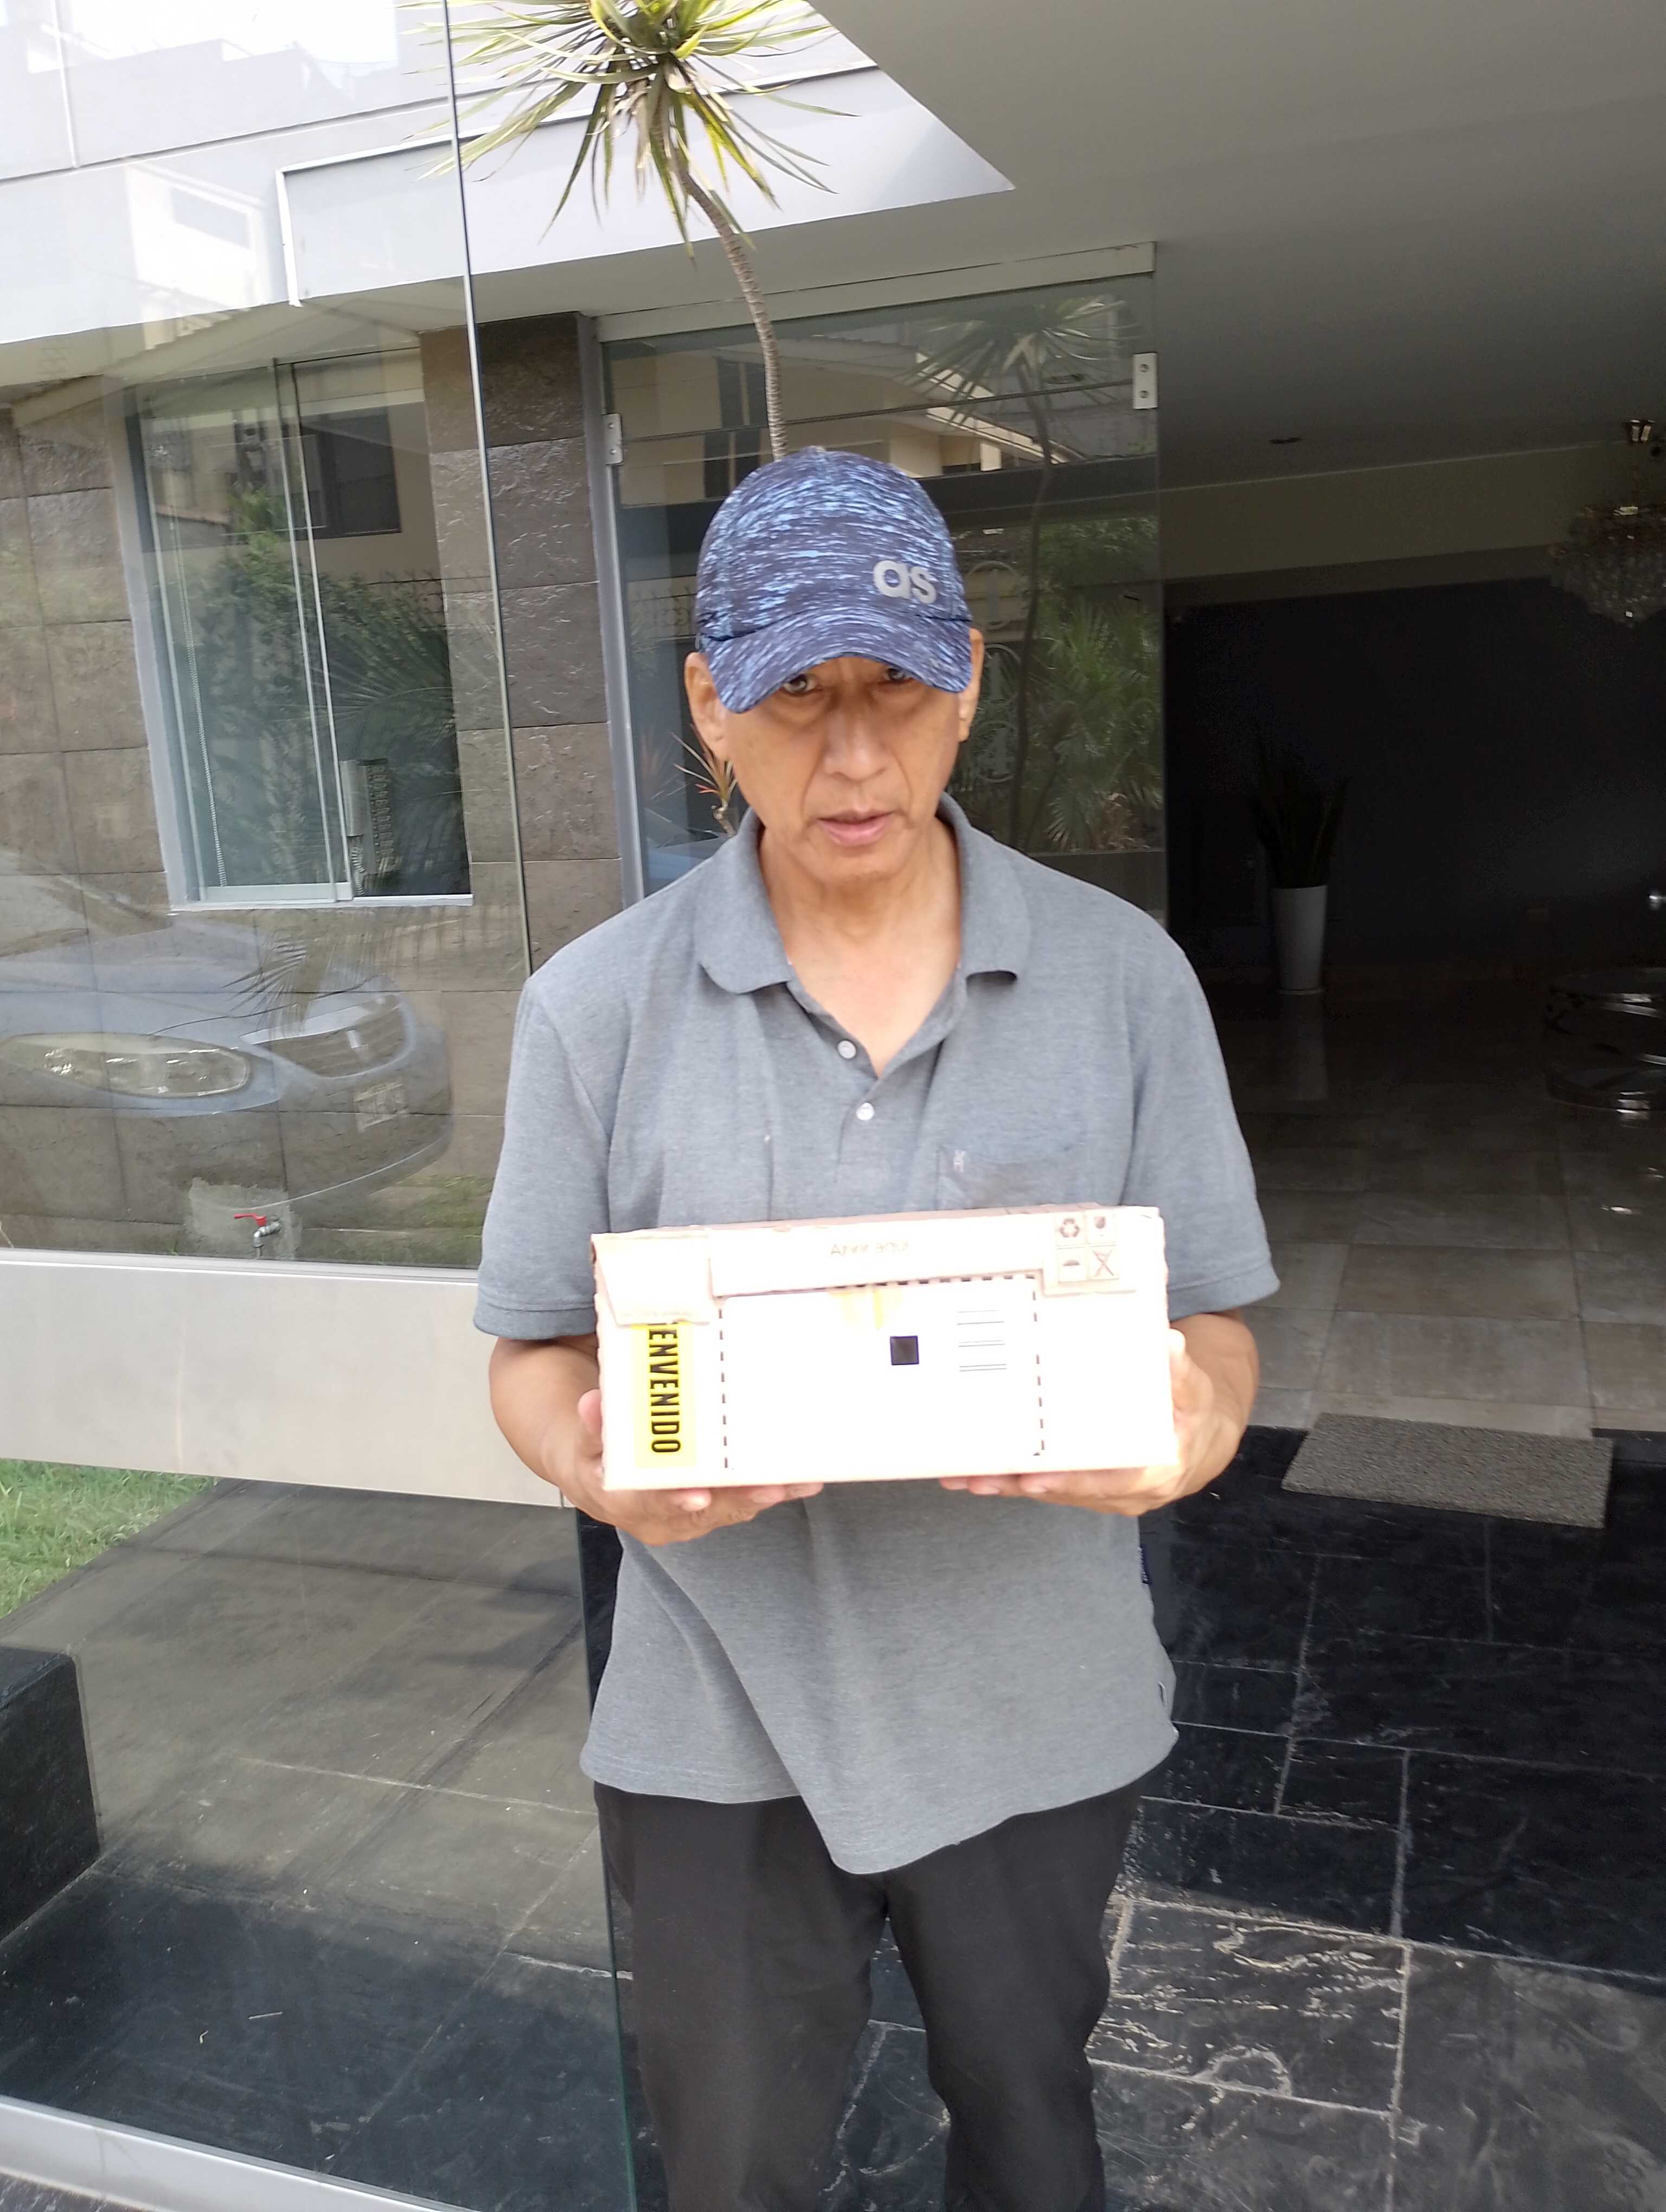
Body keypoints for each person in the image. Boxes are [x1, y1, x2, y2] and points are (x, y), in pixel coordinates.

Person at [477, 447, 1276, 2212]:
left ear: (969, 680)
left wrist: (1194, 1426)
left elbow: (1215, 1321)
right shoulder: (593, 1010)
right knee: (733, 2169)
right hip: (717, 1714)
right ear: (710, 706)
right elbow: (532, 1350)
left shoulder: (1125, 979)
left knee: (1032, 2139)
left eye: (896, 689)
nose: (854, 758)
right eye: (797, 697)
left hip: (1035, 1702)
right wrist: (594, 1466)